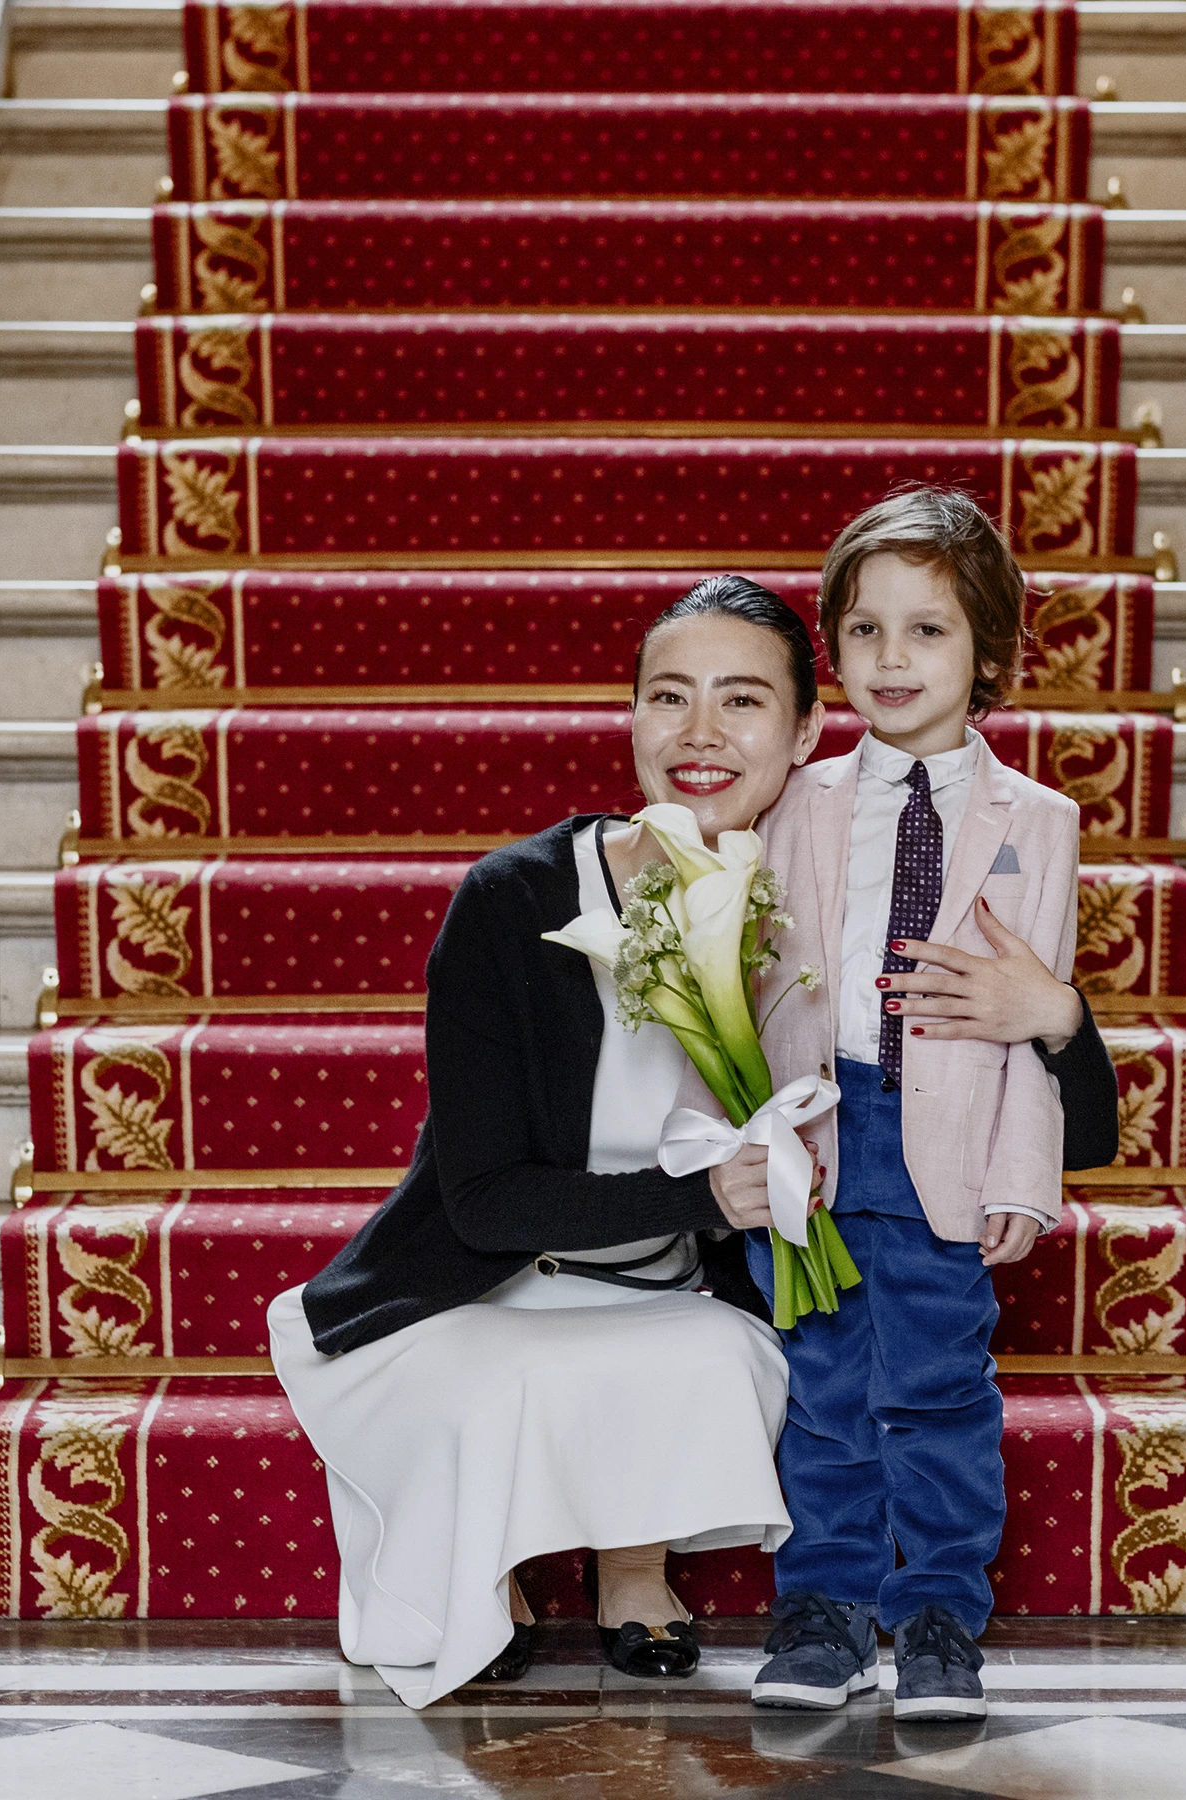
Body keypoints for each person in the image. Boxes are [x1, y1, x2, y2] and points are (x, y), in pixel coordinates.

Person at [268, 571, 1117, 1710]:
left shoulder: (809, 896)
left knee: (764, 1355)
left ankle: (635, 1564)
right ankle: (497, 1560)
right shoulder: (512, 900)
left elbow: (1015, 1092)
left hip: (668, 1290)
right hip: (482, 1284)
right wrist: (717, 1196)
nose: (700, 734)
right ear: (630, 718)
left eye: (743, 702)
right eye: (668, 698)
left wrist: (1059, 1015)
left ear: (812, 733)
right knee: (526, 1376)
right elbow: (483, 1202)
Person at [747, 488, 1115, 1722]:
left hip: (950, 1139)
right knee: (824, 1380)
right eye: (863, 632)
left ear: (989, 654)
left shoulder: (1039, 822)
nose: (891, 660)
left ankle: (941, 1613)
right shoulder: (794, 802)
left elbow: (1030, 1013)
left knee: (938, 1387)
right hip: (823, 1132)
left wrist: (1022, 1176)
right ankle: (827, 1608)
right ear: (832, 649)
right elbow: (754, 984)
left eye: (927, 632)